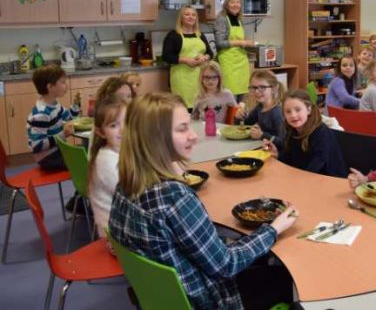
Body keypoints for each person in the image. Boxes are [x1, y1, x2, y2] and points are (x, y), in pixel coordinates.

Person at [109, 93, 298, 309]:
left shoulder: (124, 184)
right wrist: (273, 229)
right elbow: (226, 265)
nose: (193, 136)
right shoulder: (173, 197)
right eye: (182, 129)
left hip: (164, 299)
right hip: (209, 301)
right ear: (155, 138)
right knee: (285, 276)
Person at [263, 90, 347, 177]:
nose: (293, 115)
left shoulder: (322, 133)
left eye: (298, 110)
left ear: (308, 110)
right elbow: (290, 160)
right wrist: (277, 155)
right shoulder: (292, 131)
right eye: (288, 112)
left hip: (330, 182)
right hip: (305, 179)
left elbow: (315, 169)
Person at [87, 95, 127, 244]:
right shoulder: (107, 161)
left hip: (124, 226)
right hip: (116, 239)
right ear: (101, 132)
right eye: (113, 125)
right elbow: (136, 195)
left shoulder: (121, 151)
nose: (123, 130)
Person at [26, 64, 81, 170]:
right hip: (47, 158)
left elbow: (69, 117)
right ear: (50, 87)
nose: (66, 85)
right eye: (62, 82)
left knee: (88, 155)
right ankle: (82, 186)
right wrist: (63, 134)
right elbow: (37, 145)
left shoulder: (55, 105)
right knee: (85, 162)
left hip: (57, 151)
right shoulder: (41, 114)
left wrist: (75, 105)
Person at [163, 5, 214, 109]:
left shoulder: (199, 34)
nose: (191, 17)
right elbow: (166, 56)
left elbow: (210, 52)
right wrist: (185, 60)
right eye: (187, 14)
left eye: (193, 15)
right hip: (181, 78)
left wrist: (204, 57)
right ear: (181, 18)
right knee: (184, 108)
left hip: (200, 77)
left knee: (200, 108)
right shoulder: (174, 35)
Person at [214, 0, 253, 100]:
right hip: (228, 62)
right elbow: (220, 43)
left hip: (241, 62)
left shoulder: (239, 19)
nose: (236, 5)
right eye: (232, 2)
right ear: (226, 5)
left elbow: (240, 41)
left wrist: (246, 43)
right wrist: (240, 42)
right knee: (230, 98)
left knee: (242, 100)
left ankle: (239, 117)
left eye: (238, 2)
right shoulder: (221, 19)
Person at [236, 69, 285, 148]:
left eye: (262, 87)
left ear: (274, 89)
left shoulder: (277, 113)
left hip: (275, 155)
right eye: (254, 87)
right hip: (263, 149)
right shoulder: (260, 107)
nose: (257, 92)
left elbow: (283, 142)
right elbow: (246, 125)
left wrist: (262, 135)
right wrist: (239, 117)